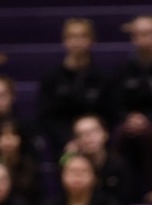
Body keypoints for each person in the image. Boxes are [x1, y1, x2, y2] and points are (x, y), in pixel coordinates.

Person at [107, 14, 152, 204]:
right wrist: (128, 118)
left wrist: (149, 120)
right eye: (139, 34)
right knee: (119, 134)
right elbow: (114, 104)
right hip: (130, 123)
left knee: (149, 135)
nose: (144, 39)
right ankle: (116, 190)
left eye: (149, 33)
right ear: (133, 38)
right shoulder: (124, 70)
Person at [37, 18, 110, 157]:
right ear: (64, 41)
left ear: (92, 40)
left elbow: (109, 115)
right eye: (72, 37)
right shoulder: (51, 79)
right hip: (65, 147)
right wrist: (68, 141)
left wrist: (93, 139)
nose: (77, 41)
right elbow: (47, 118)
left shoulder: (103, 78)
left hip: (98, 146)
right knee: (71, 162)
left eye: (83, 36)